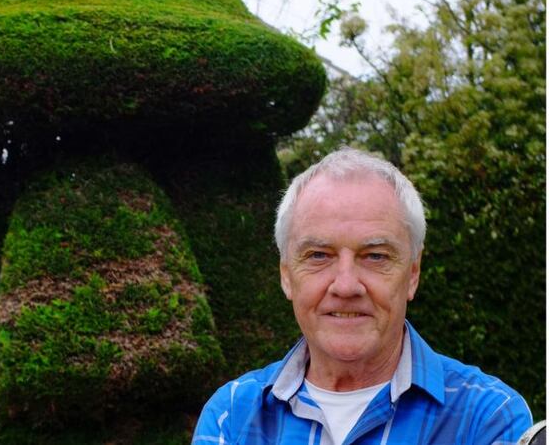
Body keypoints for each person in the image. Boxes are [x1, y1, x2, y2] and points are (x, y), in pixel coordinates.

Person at [192, 147, 533, 445]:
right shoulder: (232, 415)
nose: (345, 285)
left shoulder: (488, 419)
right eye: (318, 256)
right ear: (286, 276)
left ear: (412, 273)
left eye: (375, 256)